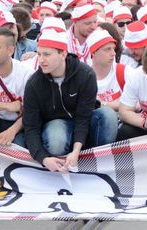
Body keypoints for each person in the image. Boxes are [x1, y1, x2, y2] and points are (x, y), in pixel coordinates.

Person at [22, 29, 117, 172]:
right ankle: (61, 168)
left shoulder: (85, 74)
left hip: (83, 123)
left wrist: (76, 150)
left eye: (47, 54)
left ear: (63, 54)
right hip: (55, 126)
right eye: (39, 54)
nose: (41, 60)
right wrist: (43, 159)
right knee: (56, 136)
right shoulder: (34, 83)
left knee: (108, 115)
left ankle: (99, 164)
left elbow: (83, 118)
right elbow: (31, 127)